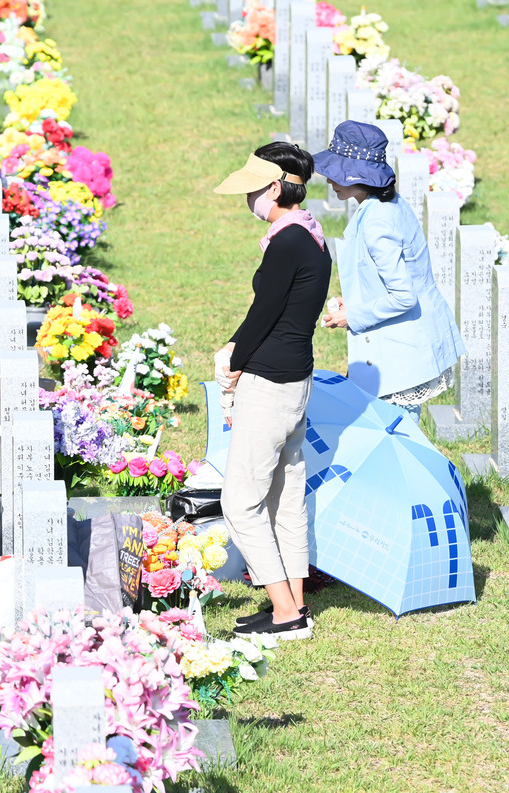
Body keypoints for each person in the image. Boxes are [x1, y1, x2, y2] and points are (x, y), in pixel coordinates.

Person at [211, 143, 331, 641]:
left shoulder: (287, 244)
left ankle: (284, 613)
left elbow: (264, 314)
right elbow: (277, 311)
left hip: (269, 382)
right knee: (284, 496)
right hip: (295, 379)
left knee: (240, 501)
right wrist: (237, 349)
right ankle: (294, 604)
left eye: (253, 190)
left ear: (276, 188)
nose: (248, 200)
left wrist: (234, 363)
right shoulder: (311, 235)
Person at [314, 121, 466, 421]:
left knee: (397, 432)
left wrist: (352, 316)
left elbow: (403, 296)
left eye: (337, 173)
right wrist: (354, 301)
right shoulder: (388, 204)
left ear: (359, 176)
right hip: (406, 343)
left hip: (402, 354)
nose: (329, 180)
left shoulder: (377, 221)